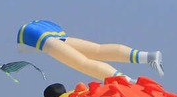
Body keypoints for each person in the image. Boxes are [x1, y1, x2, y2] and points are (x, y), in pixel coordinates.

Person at [18, 20, 164, 81]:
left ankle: (125, 80)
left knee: (82, 63)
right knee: (97, 50)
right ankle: (148, 57)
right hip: (42, 28)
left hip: (31, 35)